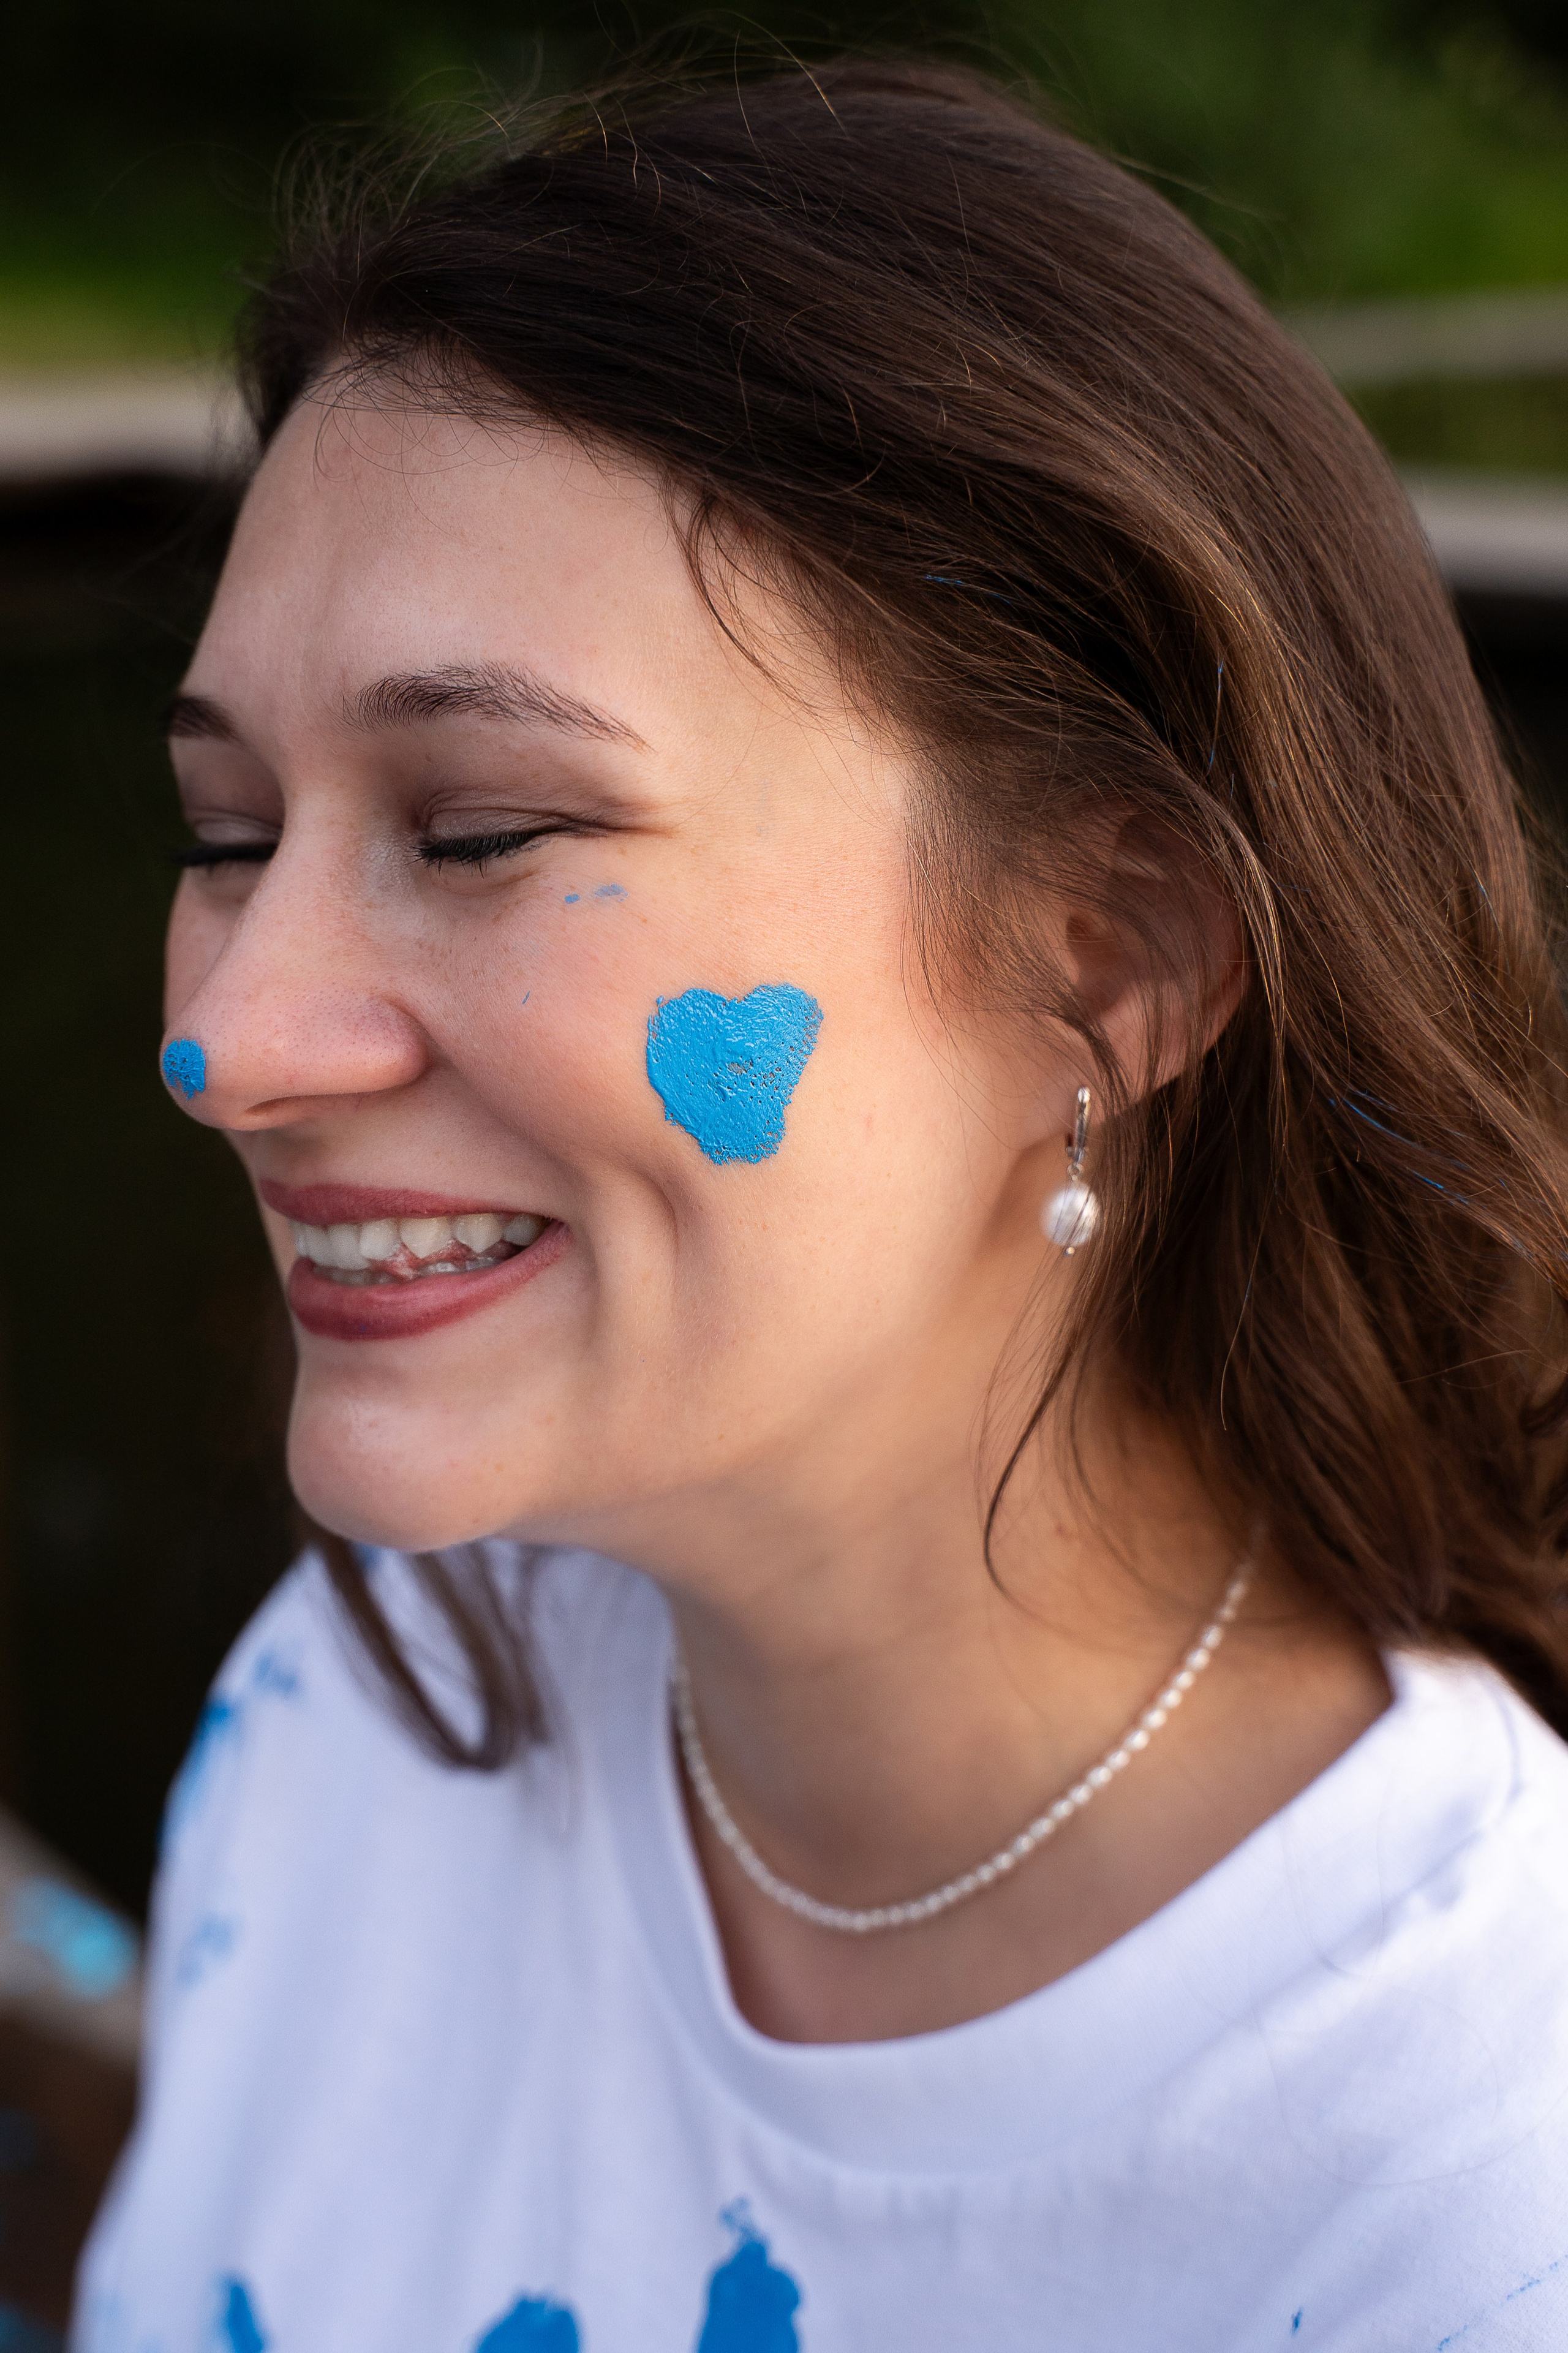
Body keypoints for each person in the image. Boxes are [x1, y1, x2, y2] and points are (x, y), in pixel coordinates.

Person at [75, 58, 1568, 2352]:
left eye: (479, 829)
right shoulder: (370, 1705)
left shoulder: (1481, 2195)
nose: (229, 1040)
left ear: (1116, 954)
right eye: (229, 832)